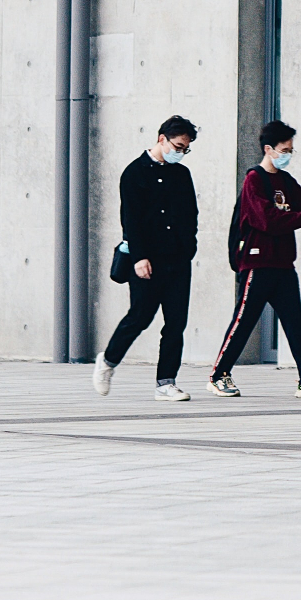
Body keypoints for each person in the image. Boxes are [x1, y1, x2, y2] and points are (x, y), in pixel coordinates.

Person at [210, 119, 301, 399]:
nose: (288, 155)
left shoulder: (285, 180)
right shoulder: (254, 180)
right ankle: (219, 375)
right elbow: (268, 220)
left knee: (295, 323)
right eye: (284, 150)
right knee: (244, 321)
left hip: (282, 264)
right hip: (258, 263)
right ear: (269, 149)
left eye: (291, 150)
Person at [95, 115, 201, 400]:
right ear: (161, 139)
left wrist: (189, 246)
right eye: (177, 146)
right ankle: (108, 361)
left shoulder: (182, 174)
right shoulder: (134, 172)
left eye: (185, 149)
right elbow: (131, 220)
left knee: (176, 322)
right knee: (140, 316)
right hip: (146, 260)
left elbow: (191, 214)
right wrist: (140, 258)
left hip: (177, 259)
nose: (180, 152)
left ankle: (166, 382)